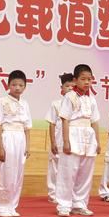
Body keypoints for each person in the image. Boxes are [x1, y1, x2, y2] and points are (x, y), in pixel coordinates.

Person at [54, 64, 101, 217]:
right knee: (68, 172)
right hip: (73, 134)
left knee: (85, 173)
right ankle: (64, 204)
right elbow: (65, 119)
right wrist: (66, 141)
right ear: (75, 80)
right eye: (83, 79)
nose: (87, 82)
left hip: (88, 137)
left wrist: (98, 142)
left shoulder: (91, 99)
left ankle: (79, 203)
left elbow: (95, 121)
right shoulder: (69, 97)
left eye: (89, 79)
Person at [0, 70, 32, 217]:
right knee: (6, 173)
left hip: (21, 138)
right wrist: (0, 147)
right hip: (8, 137)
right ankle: (1, 206)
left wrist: (27, 146)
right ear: (8, 85)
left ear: (24, 87)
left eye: (21, 85)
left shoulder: (25, 104)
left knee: (18, 174)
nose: (17, 87)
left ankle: (12, 205)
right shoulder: (2, 101)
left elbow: (27, 127)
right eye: (14, 84)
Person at [45, 73, 74, 204]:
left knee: (68, 168)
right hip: (58, 139)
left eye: (73, 86)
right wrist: (52, 142)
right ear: (61, 88)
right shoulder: (56, 104)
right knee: (54, 167)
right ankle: (52, 193)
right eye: (67, 86)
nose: (70, 89)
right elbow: (51, 123)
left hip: (70, 140)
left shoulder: (77, 103)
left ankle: (66, 194)